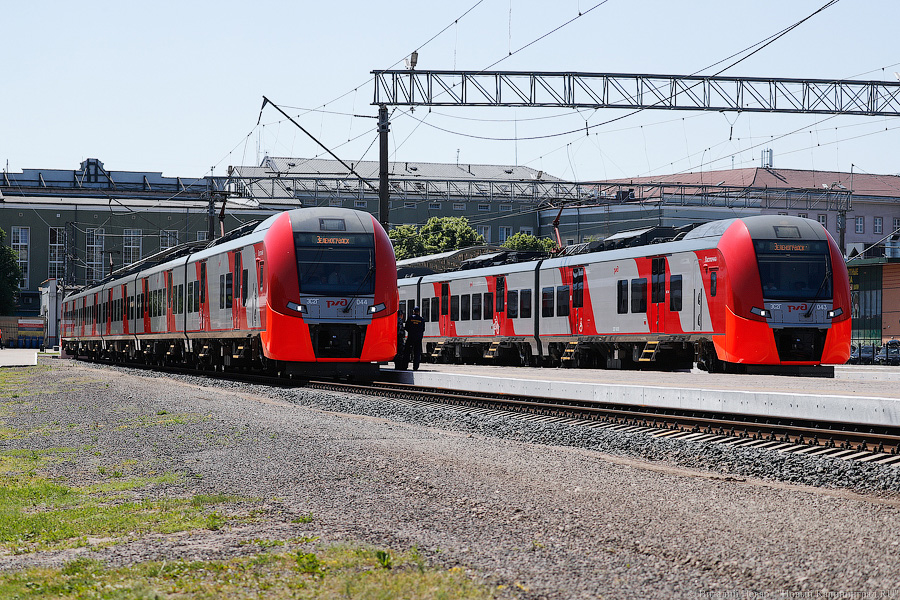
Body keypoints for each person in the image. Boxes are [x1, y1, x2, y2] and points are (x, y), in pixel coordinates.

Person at [403, 306, 426, 371]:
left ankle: (405, 366)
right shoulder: (421, 319)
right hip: (418, 339)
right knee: (417, 353)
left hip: (410, 337)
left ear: (413, 311)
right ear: (419, 312)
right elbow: (423, 329)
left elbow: (406, 327)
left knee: (407, 352)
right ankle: (415, 367)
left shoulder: (410, 318)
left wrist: (411, 332)